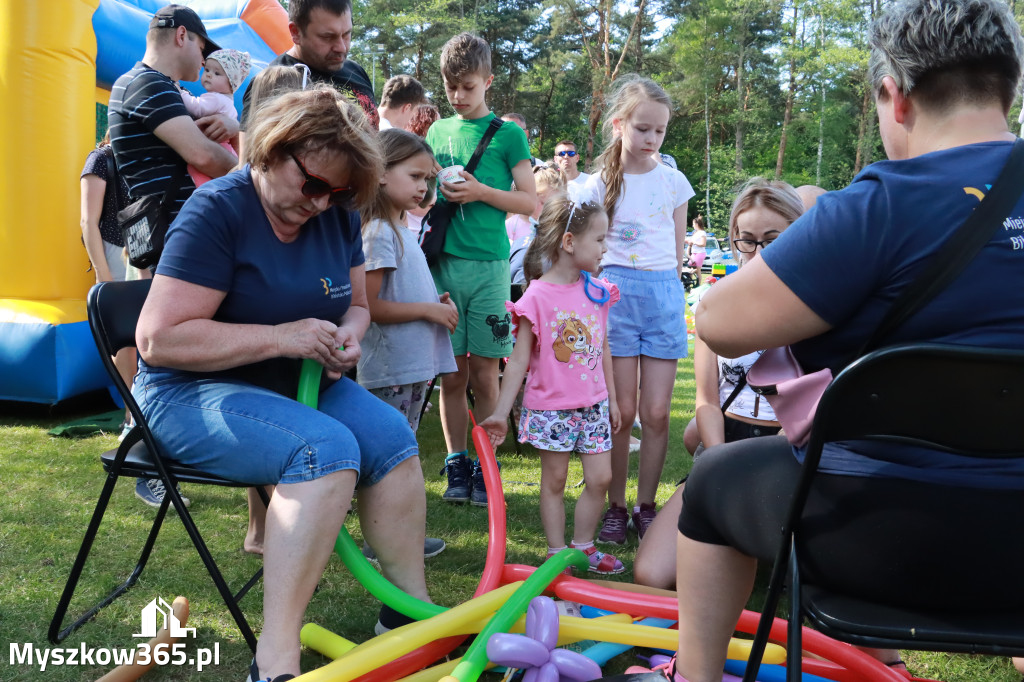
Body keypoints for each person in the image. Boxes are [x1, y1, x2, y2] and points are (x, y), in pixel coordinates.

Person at [631, 2, 1024, 680]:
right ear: (1010, 88)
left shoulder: (877, 207)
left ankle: (693, 675)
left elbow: (720, 323)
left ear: (892, 97)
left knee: (717, 478)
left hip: (872, 540)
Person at [133, 87, 433, 681]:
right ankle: (274, 660)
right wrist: (282, 336)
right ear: (272, 149)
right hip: (183, 392)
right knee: (325, 452)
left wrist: (347, 335)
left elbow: (357, 308)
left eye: (340, 192)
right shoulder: (217, 210)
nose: (323, 204)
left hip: (295, 381)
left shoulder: (339, 209)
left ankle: (409, 618)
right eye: (314, 185)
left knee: (394, 439)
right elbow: (158, 340)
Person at [633, 178, 803, 590]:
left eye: (772, 239)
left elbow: (814, 403)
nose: (758, 253)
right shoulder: (715, 301)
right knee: (650, 575)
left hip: (791, 450)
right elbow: (707, 400)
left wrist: (767, 470)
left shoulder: (815, 305)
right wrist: (720, 464)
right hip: (727, 441)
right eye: (747, 240)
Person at [481, 196, 624, 574]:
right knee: (555, 480)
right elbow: (519, 361)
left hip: (593, 406)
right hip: (550, 409)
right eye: (599, 238)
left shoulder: (597, 291)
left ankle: (585, 546)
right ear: (569, 241)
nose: (605, 247)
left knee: (602, 478)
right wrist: (499, 413)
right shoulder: (537, 296)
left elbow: (604, 345)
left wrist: (611, 399)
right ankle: (556, 552)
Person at [581, 75, 694, 544]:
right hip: (615, 300)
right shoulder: (595, 184)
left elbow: (676, 251)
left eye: (660, 131)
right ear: (619, 125)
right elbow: (581, 248)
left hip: (663, 296)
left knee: (658, 412)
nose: (651, 139)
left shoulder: (674, 182)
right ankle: (617, 506)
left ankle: (647, 506)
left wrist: (668, 287)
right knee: (622, 412)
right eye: (643, 128)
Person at [426, 32, 536, 507]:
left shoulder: (508, 134)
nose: (458, 96)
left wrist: (481, 193)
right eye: (451, 86)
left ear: (488, 81)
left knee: (485, 374)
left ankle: (486, 469)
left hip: (490, 268)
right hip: (443, 268)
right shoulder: (435, 132)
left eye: (467, 86)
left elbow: (531, 201)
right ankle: (457, 463)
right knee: (451, 374)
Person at [108, 4, 238, 227]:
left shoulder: (165, 88)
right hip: (175, 235)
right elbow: (204, 155)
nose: (204, 60)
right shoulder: (147, 83)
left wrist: (232, 127)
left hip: (183, 231)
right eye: (202, 48)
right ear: (181, 35)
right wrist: (248, 174)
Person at [239, 0, 379, 139]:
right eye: (328, 37)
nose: (341, 47)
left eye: (346, 34)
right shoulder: (272, 83)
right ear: (296, 32)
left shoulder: (356, 71)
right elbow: (250, 158)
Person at [179, 48, 251, 186]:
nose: (209, 75)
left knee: (194, 167)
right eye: (207, 70)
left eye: (217, 73)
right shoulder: (226, 101)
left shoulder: (216, 99)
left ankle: (201, 191)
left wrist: (180, 93)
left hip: (217, 145)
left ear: (231, 83)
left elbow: (196, 107)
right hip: (225, 148)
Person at [509, 165, 566, 285]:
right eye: (543, 203)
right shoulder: (512, 225)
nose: (549, 210)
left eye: (556, 205)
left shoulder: (561, 236)